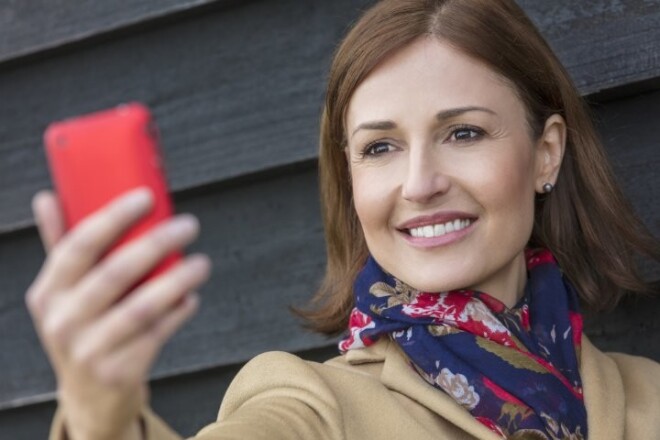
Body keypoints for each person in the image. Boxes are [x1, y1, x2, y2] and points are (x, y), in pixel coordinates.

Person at [27, 0, 659, 439]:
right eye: (380, 147)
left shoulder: (646, 400)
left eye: (463, 132)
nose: (420, 183)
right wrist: (101, 419)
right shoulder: (313, 407)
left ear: (545, 152)